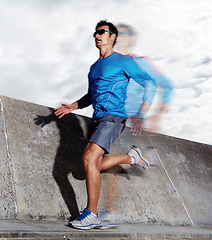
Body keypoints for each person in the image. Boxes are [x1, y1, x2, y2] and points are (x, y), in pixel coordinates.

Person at [54, 20, 157, 230]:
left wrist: (142, 112)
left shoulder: (123, 61)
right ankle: (131, 157)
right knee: (87, 167)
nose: (97, 35)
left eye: (102, 32)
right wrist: (72, 106)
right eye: (95, 33)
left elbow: (150, 82)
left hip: (114, 117)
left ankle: (91, 214)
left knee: (89, 158)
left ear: (113, 37)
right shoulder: (93, 68)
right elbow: (92, 95)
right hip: (98, 119)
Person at [100, 23, 175, 222]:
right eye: (116, 35)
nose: (118, 39)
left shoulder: (141, 62)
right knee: (101, 162)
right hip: (111, 118)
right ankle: (134, 159)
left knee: (104, 163)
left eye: (123, 35)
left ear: (131, 40)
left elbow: (167, 86)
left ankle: (109, 212)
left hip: (130, 123)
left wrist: (154, 114)